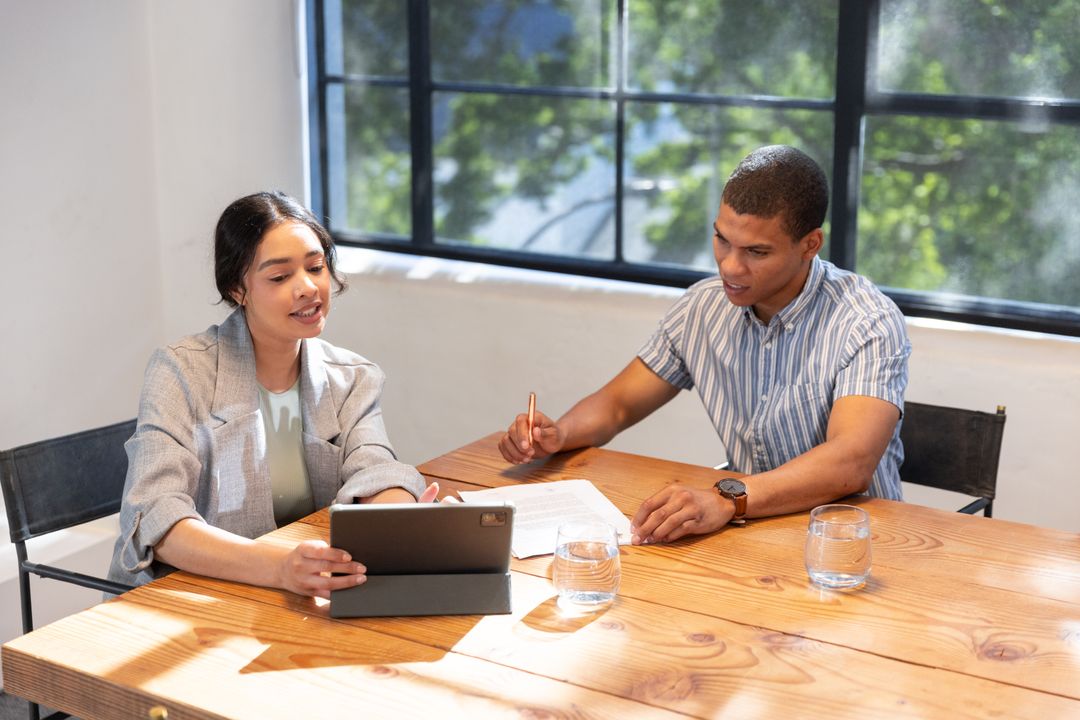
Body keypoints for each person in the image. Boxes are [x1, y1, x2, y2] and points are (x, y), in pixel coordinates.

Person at [499, 145, 910, 546]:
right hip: (748, 534)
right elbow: (617, 405)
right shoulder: (703, 306)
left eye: (756, 251)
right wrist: (559, 433)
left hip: (849, 544)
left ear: (810, 244)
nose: (730, 266)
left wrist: (726, 498)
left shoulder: (866, 320)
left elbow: (850, 462)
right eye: (722, 240)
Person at [109, 191, 437, 597]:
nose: (308, 288)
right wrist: (280, 568)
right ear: (237, 289)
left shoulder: (351, 377)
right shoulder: (180, 371)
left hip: (291, 592)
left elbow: (374, 468)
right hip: (192, 597)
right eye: (280, 277)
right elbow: (157, 518)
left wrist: (399, 512)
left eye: (316, 267)